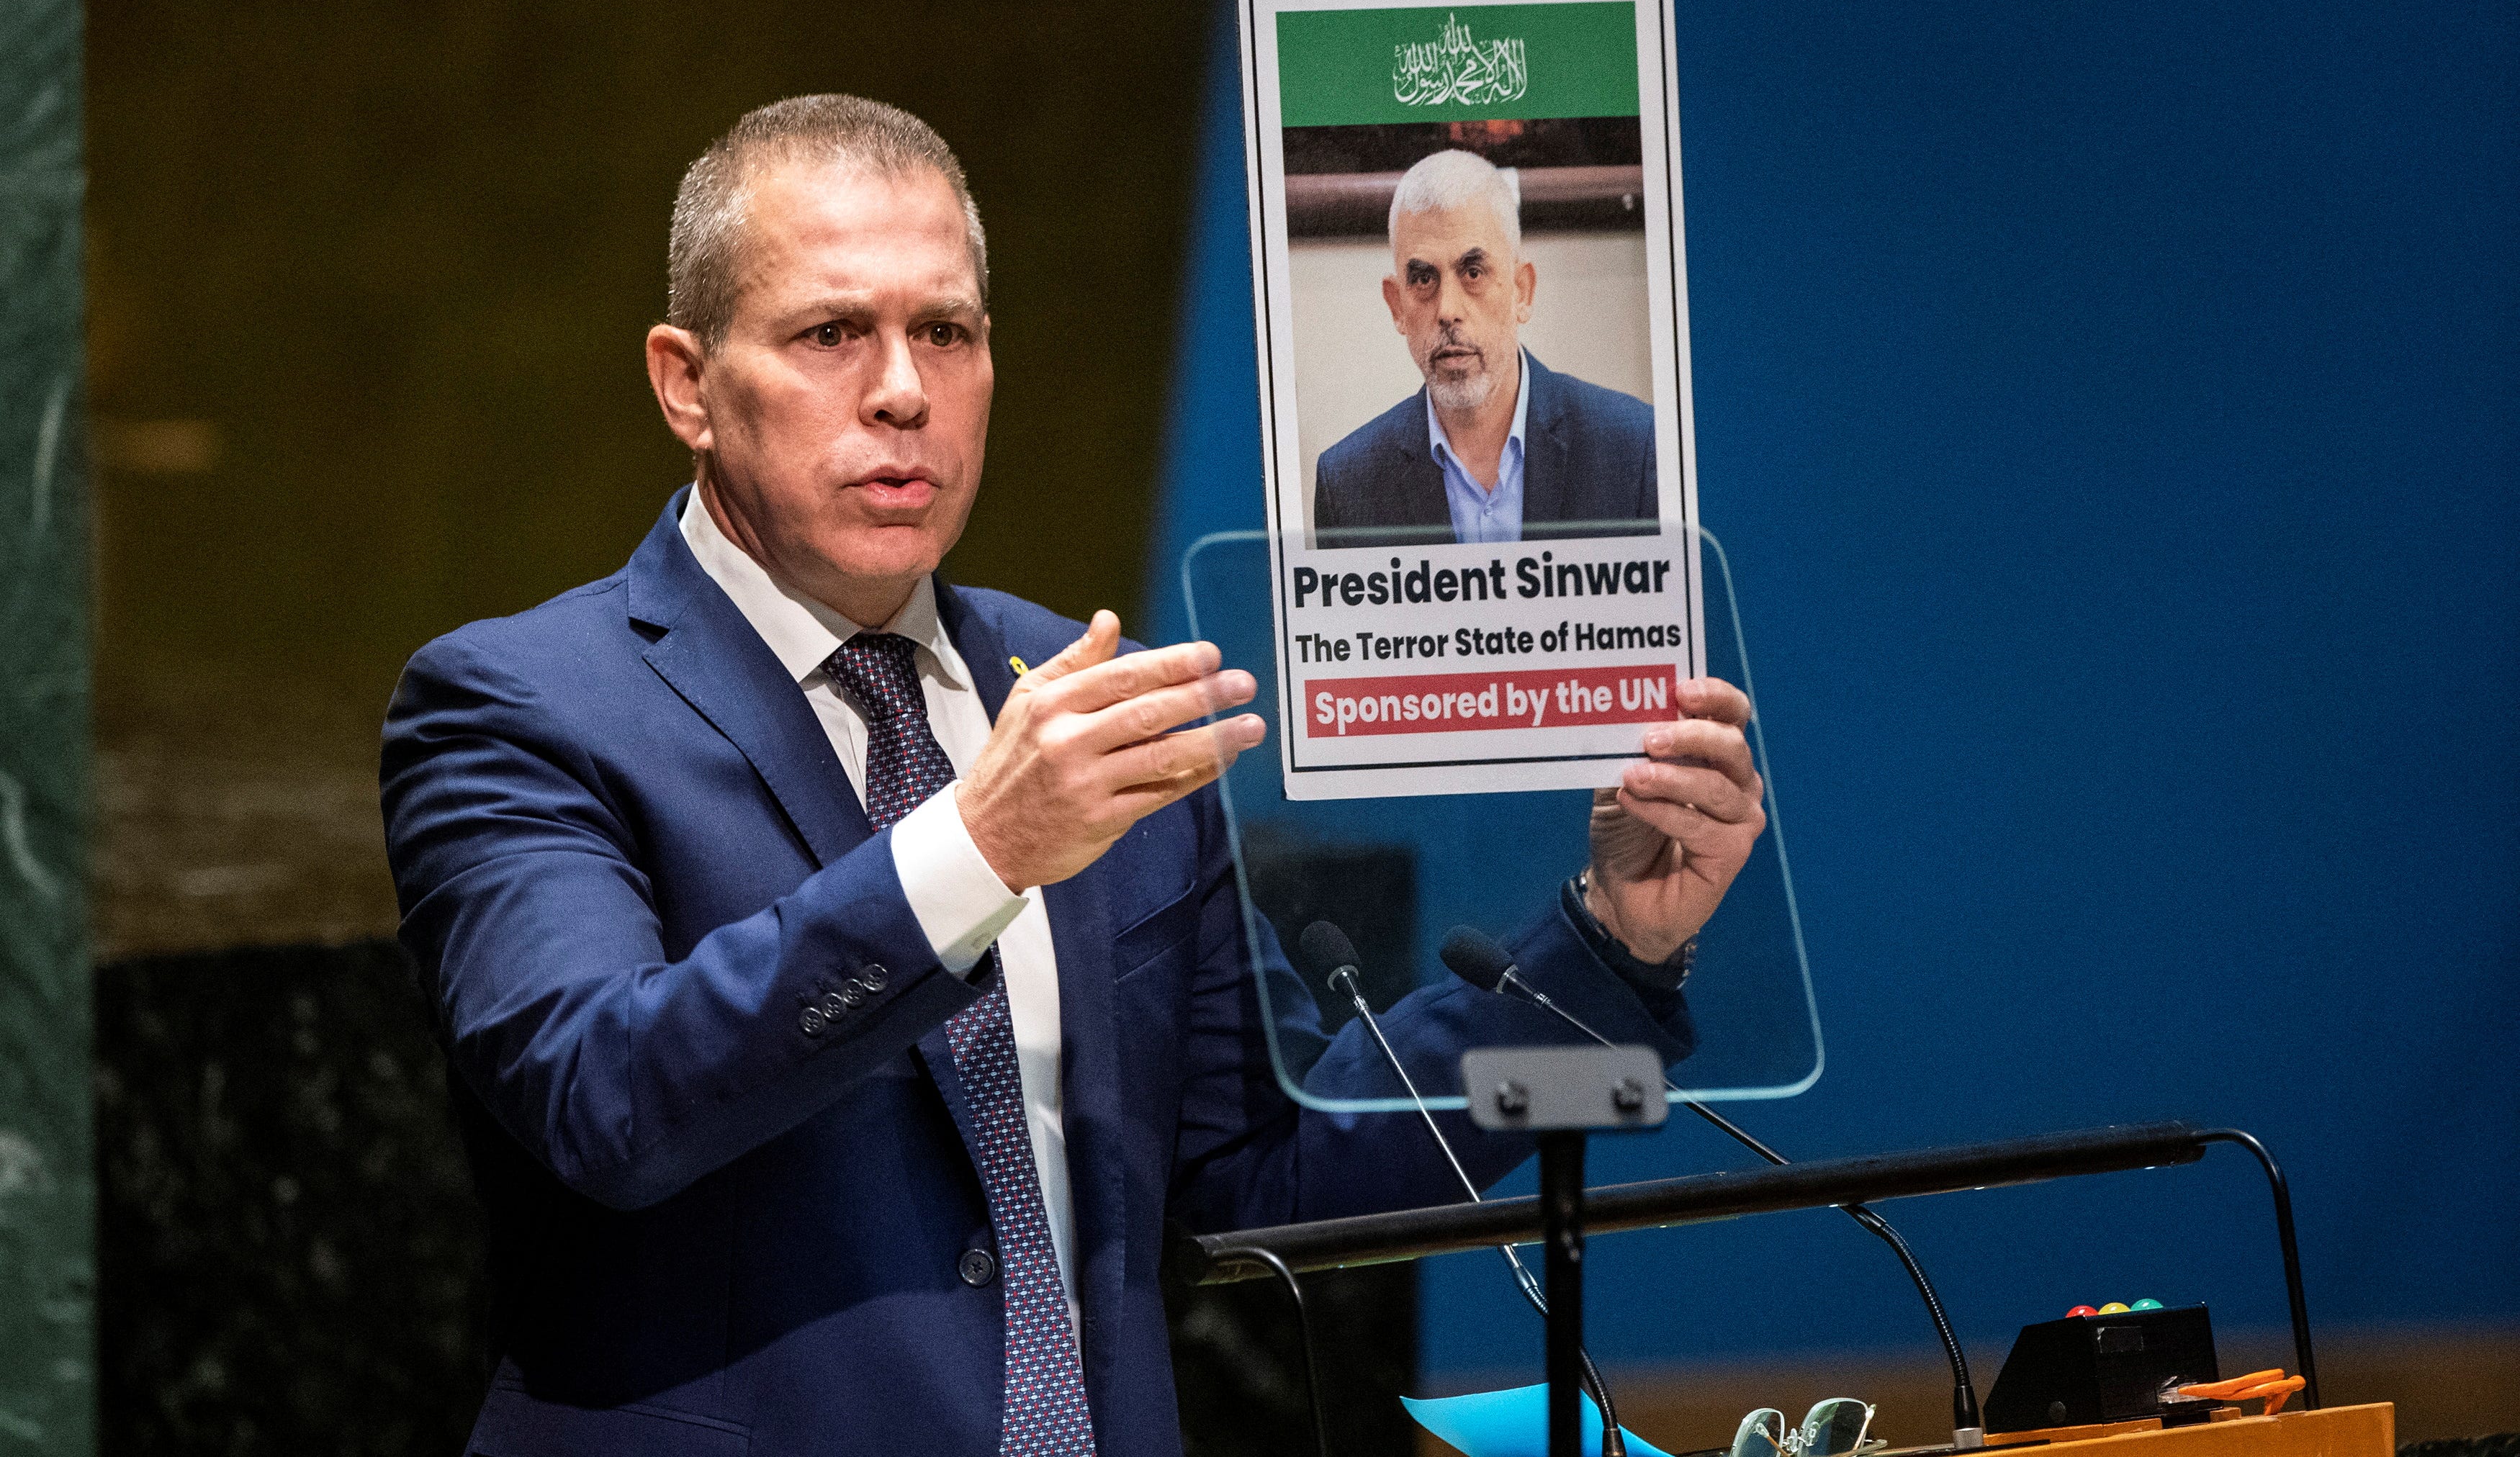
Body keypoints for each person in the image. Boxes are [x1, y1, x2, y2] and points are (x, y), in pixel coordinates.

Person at [381, 96, 1767, 1457]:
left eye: (946, 331)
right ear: (686, 381)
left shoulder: (1086, 693)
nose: (904, 388)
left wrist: (1606, 944)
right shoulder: (523, 706)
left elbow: (1270, 1172)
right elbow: (604, 1098)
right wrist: (975, 848)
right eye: (830, 334)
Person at [1311, 148, 1660, 549]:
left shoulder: (1633, 451)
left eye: (1473, 272)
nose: (1448, 311)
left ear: (1522, 291)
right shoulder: (1348, 486)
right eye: (1424, 280)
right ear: (1397, 306)